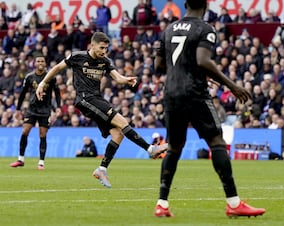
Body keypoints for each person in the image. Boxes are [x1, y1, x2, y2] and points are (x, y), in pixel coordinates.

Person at [153, 0, 265, 218]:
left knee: (174, 147)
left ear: (185, 4)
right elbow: (203, 60)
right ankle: (233, 203)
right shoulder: (205, 29)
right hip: (195, 93)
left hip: (171, 94)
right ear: (205, 6)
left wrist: (186, 71)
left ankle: (162, 204)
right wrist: (232, 86)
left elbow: (159, 65)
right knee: (216, 141)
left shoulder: (168, 29)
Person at [35, 32, 167, 188]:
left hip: (97, 99)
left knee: (118, 134)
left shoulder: (105, 61)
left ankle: (102, 169)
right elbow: (58, 67)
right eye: (102, 47)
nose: (104, 51)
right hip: (85, 99)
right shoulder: (78, 57)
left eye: (106, 48)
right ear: (92, 45)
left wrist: (126, 79)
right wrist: (43, 83)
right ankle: (150, 149)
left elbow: (117, 78)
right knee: (122, 121)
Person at [10, 55, 61, 170]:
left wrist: (58, 106)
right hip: (32, 109)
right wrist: (18, 109)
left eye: (42, 61)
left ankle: (41, 162)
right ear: (34, 63)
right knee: (25, 131)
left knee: (42, 135)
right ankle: (20, 159)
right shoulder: (29, 77)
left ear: (45, 63)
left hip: (45, 110)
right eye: (38, 61)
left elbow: (57, 92)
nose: (40, 63)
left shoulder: (51, 77)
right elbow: (23, 94)